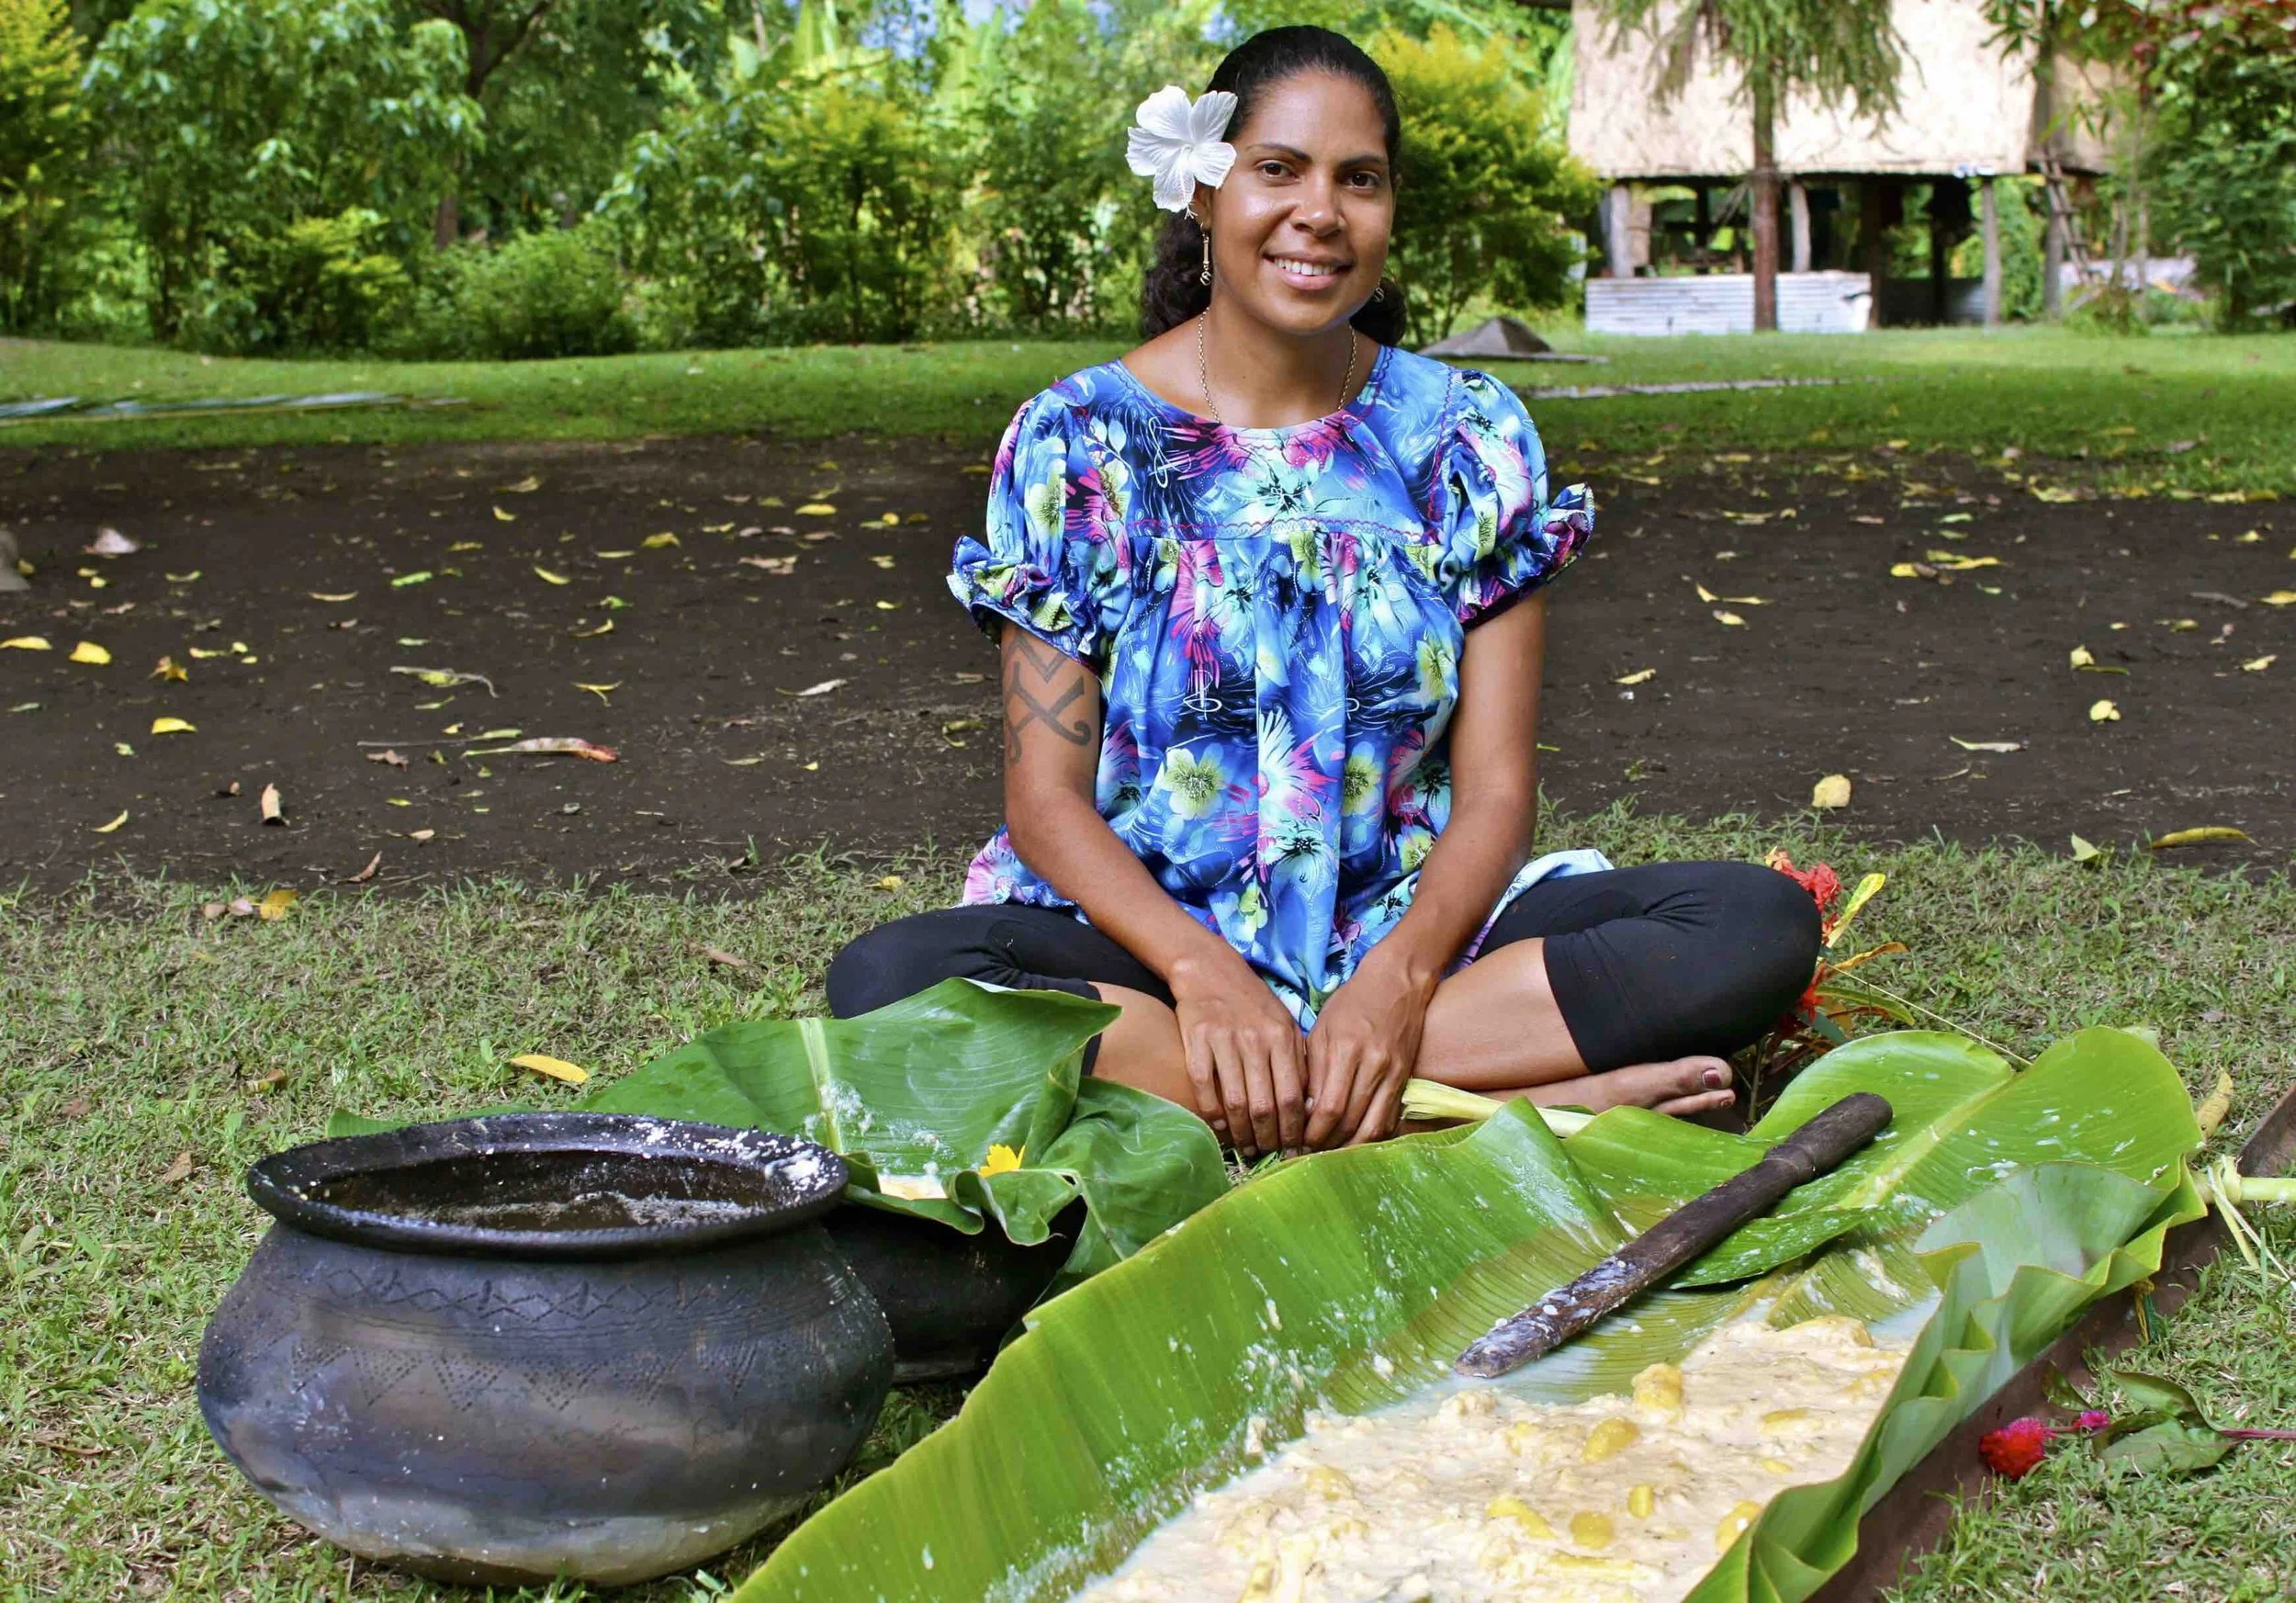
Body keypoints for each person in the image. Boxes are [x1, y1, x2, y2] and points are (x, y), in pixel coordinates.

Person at [827, 26, 1820, 1158]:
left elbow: (1497, 787)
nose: (1320, 212)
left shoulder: (1464, 436)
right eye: (1278, 169)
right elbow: (1044, 803)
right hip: (1149, 948)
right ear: (1204, 191)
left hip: (1409, 923)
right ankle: (1467, 1105)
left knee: (1751, 925)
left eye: (1359, 179)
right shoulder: (1078, 439)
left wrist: (1395, 981)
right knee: (890, 982)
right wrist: (1200, 972)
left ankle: (1285, 1087)